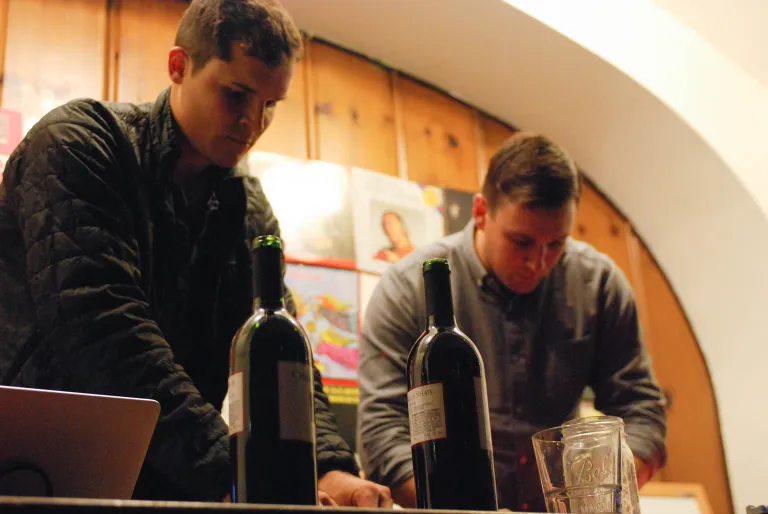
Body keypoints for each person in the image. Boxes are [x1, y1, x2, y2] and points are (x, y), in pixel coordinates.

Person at [0, 0, 391, 506]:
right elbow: (104, 333)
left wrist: (330, 469)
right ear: (179, 66)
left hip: (170, 482)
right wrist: (241, 474)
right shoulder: (78, 141)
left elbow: (279, 353)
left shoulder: (248, 208)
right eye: (237, 94)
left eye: (271, 105)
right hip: (34, 469)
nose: (253, 122)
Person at [357, 132, 667, 512]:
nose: (538, 263)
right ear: (481, 212)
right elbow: (381, 432)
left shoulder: (599, 285)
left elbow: (642, 411)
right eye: (521, 242)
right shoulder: (407, 288)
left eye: (556, 244)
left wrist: (603, 493)